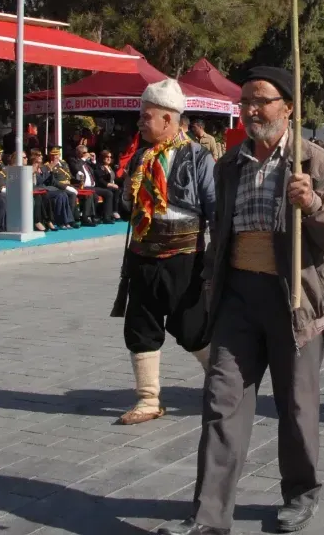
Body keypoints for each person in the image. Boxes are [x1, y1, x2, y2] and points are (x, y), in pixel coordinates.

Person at [158, 67, 324, 535]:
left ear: (288, 106)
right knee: (222, 402)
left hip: (294, 299)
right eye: (246, 101)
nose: (251, 109)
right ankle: (209, 517)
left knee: (296, 405)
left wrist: (315, 206)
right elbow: (219, 229)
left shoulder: (316, 163)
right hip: (238, 297)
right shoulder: (229, 164)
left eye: (261, 100)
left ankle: (301, 493)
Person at [113, 80, 216, 426]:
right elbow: (129, 206)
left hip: (185, 256)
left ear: (168, 121)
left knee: (192, 327)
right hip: (143, 254)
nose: (140, 123)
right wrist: (129, 195)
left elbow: (213, 206)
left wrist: (216, 257)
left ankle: (221, 381)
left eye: (147, 117)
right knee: (141, 324)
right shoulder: (141, 158)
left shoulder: (198, 157)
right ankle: (148, 399)